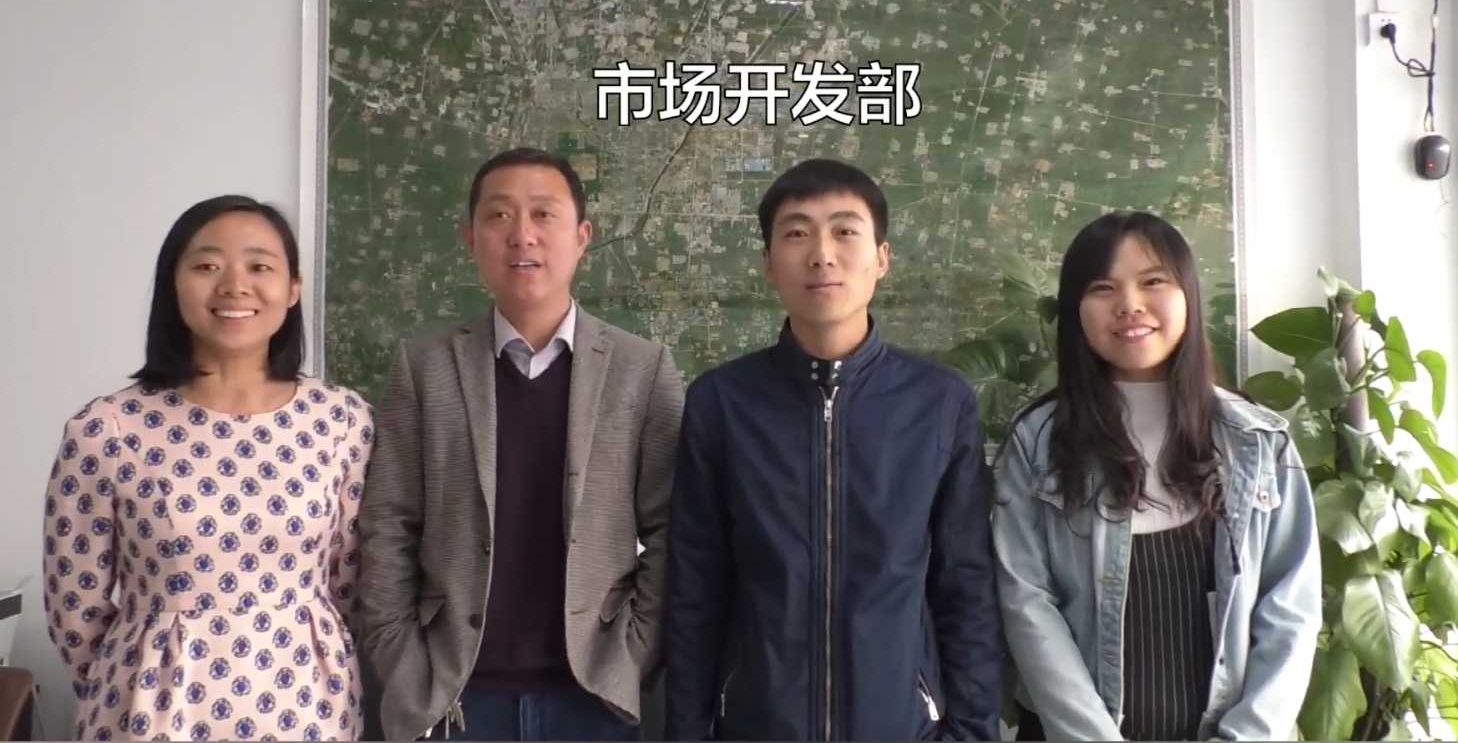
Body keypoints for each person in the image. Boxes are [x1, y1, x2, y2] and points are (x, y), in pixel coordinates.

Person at [664, 158, 1003, 741]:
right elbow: (696, 587)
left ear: (882, 258)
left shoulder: (939, 403)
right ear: (769, 263)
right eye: (797, 233)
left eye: (845, 231)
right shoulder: (721, 402)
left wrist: (972, 733)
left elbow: (965, 584)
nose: (822, 254)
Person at [356, 147, 684, 741]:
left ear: (582, 237)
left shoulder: (642, 369)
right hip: (454, 697)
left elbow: (673, 529)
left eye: (543, 214)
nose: (522, 235)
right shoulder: (424, 367)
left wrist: (633, 653)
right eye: (500, 216)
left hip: (593, 699)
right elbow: (388, 525)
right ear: (470, 239)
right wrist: (403, 666)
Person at [43, 195, 372, 741]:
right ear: (173, 285)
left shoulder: (342, 421)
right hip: (148, 715)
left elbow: (353, 585)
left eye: (260, 266)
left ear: (293, 288)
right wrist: (133, 681)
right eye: (206, 266)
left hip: (310, 711)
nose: (234, 286)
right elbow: (75, 610)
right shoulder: (106, 429)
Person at [992, 211, 1320, 741]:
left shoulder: (1259, 441)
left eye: (1152, 282)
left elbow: (1291, 610)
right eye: (1103, 288)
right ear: (1075, 311)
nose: (1130, 305)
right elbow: (1026, 602)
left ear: (1187, 294)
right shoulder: (1037, 442)